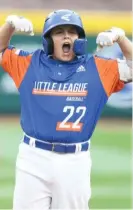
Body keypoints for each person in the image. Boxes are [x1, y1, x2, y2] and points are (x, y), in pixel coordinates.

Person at [0, 9, 132, 210]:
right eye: (59, 32)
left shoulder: (97, 67)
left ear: (80, 38)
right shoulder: (30, 63)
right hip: (32, 157)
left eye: (72, 31)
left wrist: (121, 37)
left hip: (74, 162)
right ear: (48, 39)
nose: (67, 36)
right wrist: (9, 25)